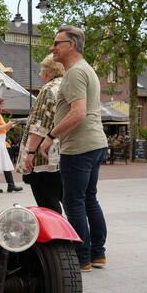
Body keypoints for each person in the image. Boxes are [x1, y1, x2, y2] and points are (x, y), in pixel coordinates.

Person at [39, 25, 108, 272]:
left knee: (74, 201)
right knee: (89, 199)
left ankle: (83, 257)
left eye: (57, 43)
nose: (52, 47)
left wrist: (50, 136)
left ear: (72, 45)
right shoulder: (87, 70)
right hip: (95, 143)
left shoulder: (75, 73)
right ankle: (98, 253)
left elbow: (78, 112)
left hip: (79, 146)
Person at [16, 54, 64, 214]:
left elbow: (40, 125)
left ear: (48, 72)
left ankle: (58, 237)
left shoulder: (48, 89)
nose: (39, 74)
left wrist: (30, 152)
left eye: (41, 69)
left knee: (48, 204)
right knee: (69, 200)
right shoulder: (66, 86)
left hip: (44, 156)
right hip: (63, 153)